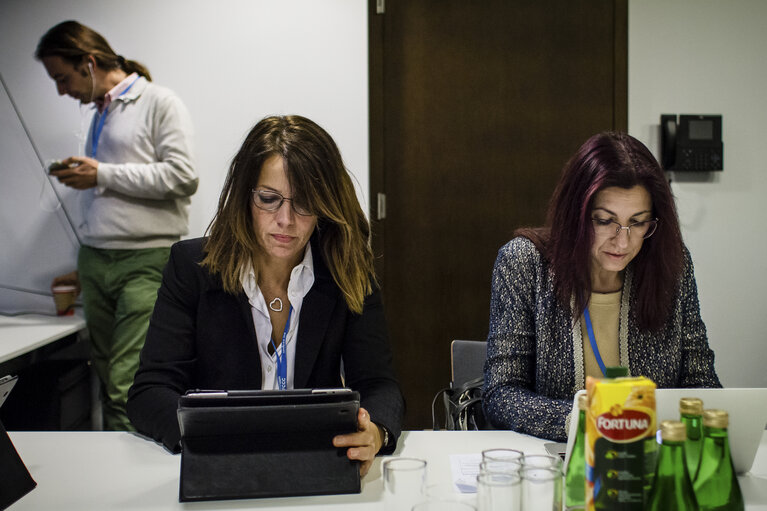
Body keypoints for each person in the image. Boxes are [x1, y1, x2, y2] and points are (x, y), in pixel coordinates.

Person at [127, 115, 404, 476]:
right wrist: (213, 439)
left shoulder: (345, 268)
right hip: (218, 467)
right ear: (246, 195)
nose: (285, 219)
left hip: (312, 462)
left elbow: (379, 384)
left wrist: (375, 431)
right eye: (269, 199)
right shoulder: (192, 266)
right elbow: (150, 391)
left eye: (305, 203)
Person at [482, 131, 721, 441]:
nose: (622, 241)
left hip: (654, 460)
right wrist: (589, 423)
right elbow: (501, 395)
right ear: (576, 216)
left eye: (638, 222)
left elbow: (701, 382)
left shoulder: (670, 264)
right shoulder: (525, 264)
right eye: (605, 220)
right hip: (562, 462)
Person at [36, 21, 198, 430]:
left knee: (128, 382)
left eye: (62, 77)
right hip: (95, 260)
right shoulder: (99, 113)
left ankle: (132, 481)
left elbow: (183, 177)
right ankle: (113, 472)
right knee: (107, 379)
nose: (61, 90)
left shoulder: (159, 101)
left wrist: (102, 174)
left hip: (145, 263)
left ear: (88, 62)